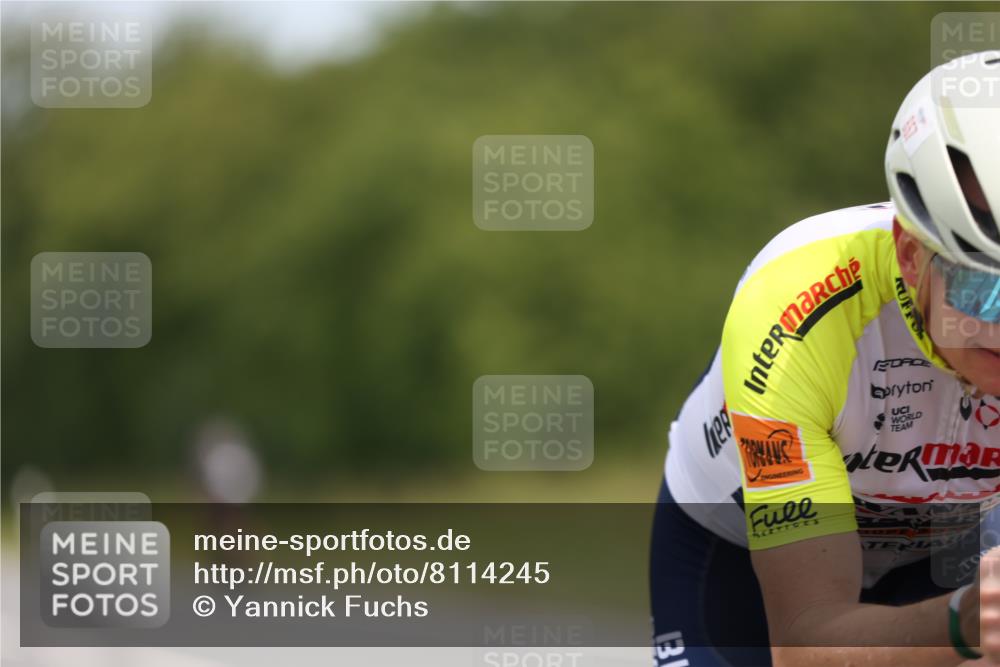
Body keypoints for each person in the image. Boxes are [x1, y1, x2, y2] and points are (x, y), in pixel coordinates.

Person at [650, 50, 1000, 667]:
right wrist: (962, 622)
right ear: (912, 253)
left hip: (952, 548)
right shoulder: (799, 306)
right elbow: (807, 642)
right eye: (984, 289)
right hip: (739, 555)